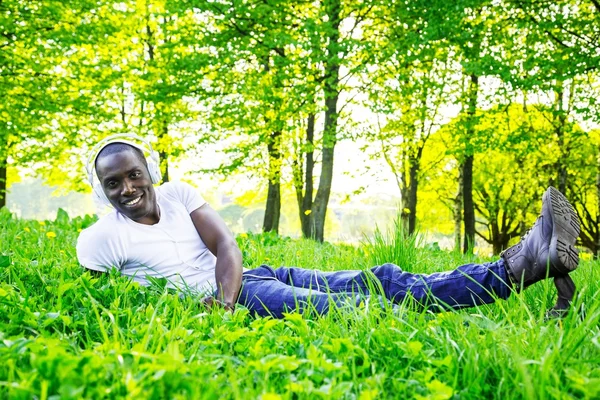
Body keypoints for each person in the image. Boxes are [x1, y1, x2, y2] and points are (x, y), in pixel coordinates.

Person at [76, 134, 581, 318]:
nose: (127, 189)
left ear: (149, 173)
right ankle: (522, 269)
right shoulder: (99, 239)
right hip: (241, 299)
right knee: (355, 308)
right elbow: (97, 304)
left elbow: (226, 244)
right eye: (113, 183)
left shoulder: (178, 193)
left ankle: (524, 263)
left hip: (246, 282)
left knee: (385, 278)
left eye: (133, 175)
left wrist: (226, 299)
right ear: (102, 188)